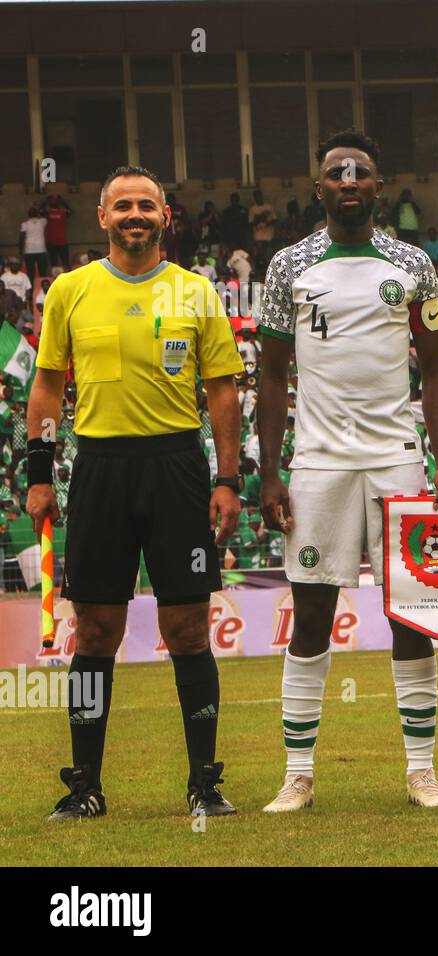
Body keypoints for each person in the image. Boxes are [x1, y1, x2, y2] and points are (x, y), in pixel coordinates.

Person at [29, 164, 245, 820]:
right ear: (102, 217)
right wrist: (39, 469)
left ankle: (204, 781)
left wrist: (228, 478)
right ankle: (84, 784)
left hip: (176, 465)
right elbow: (46, 386)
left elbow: (222, 392)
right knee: (95, 628)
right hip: (98, 467)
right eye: (122, 205)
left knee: (187, 626)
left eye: (145, 205)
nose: (134, 215)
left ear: (164, 216)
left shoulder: (196, 293)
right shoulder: (69, 290)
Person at [255, 128, 438, 812]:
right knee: (311, 614)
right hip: (316, 463)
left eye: (360, 173)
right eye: (336, 173)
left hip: (396, 460)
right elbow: (272, 378)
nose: (348, 181)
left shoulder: (415, 265)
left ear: (378, 188)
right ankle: (298, 773)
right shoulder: (288, 266)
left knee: (413, 616)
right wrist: (270, 472)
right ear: (318, 190)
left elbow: (435, 372)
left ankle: (422, 771)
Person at [40, 194, 73, 270]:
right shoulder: (52, 213)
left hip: (58, 242)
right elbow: (40, 211)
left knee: (61, 263)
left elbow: (40, 211)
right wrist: (62, 201)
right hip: (55, 242)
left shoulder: (58, 213)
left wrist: (45, 201)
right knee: (59, 264)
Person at [20, 207, 49, 279]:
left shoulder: (24, 224)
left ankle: (32, 289)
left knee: (30, 272)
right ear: (37, 213)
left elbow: (21, 239)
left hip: (29, 251)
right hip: (40, 250)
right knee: (43, 272)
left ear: (28, 214)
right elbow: (45, 213)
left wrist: (20, 251)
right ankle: (41, 289)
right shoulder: (43, 221)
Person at [220, 192, 248, 259]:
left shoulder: (244, 210)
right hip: (231, 236)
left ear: (238, 200)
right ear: (231, 200)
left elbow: (247, 223)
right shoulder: (227, 211)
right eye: (233, 200)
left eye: (236, 199)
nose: (234, 201)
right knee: (232, 253)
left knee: (242, 253)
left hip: (242, 236)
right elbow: (224, 224)